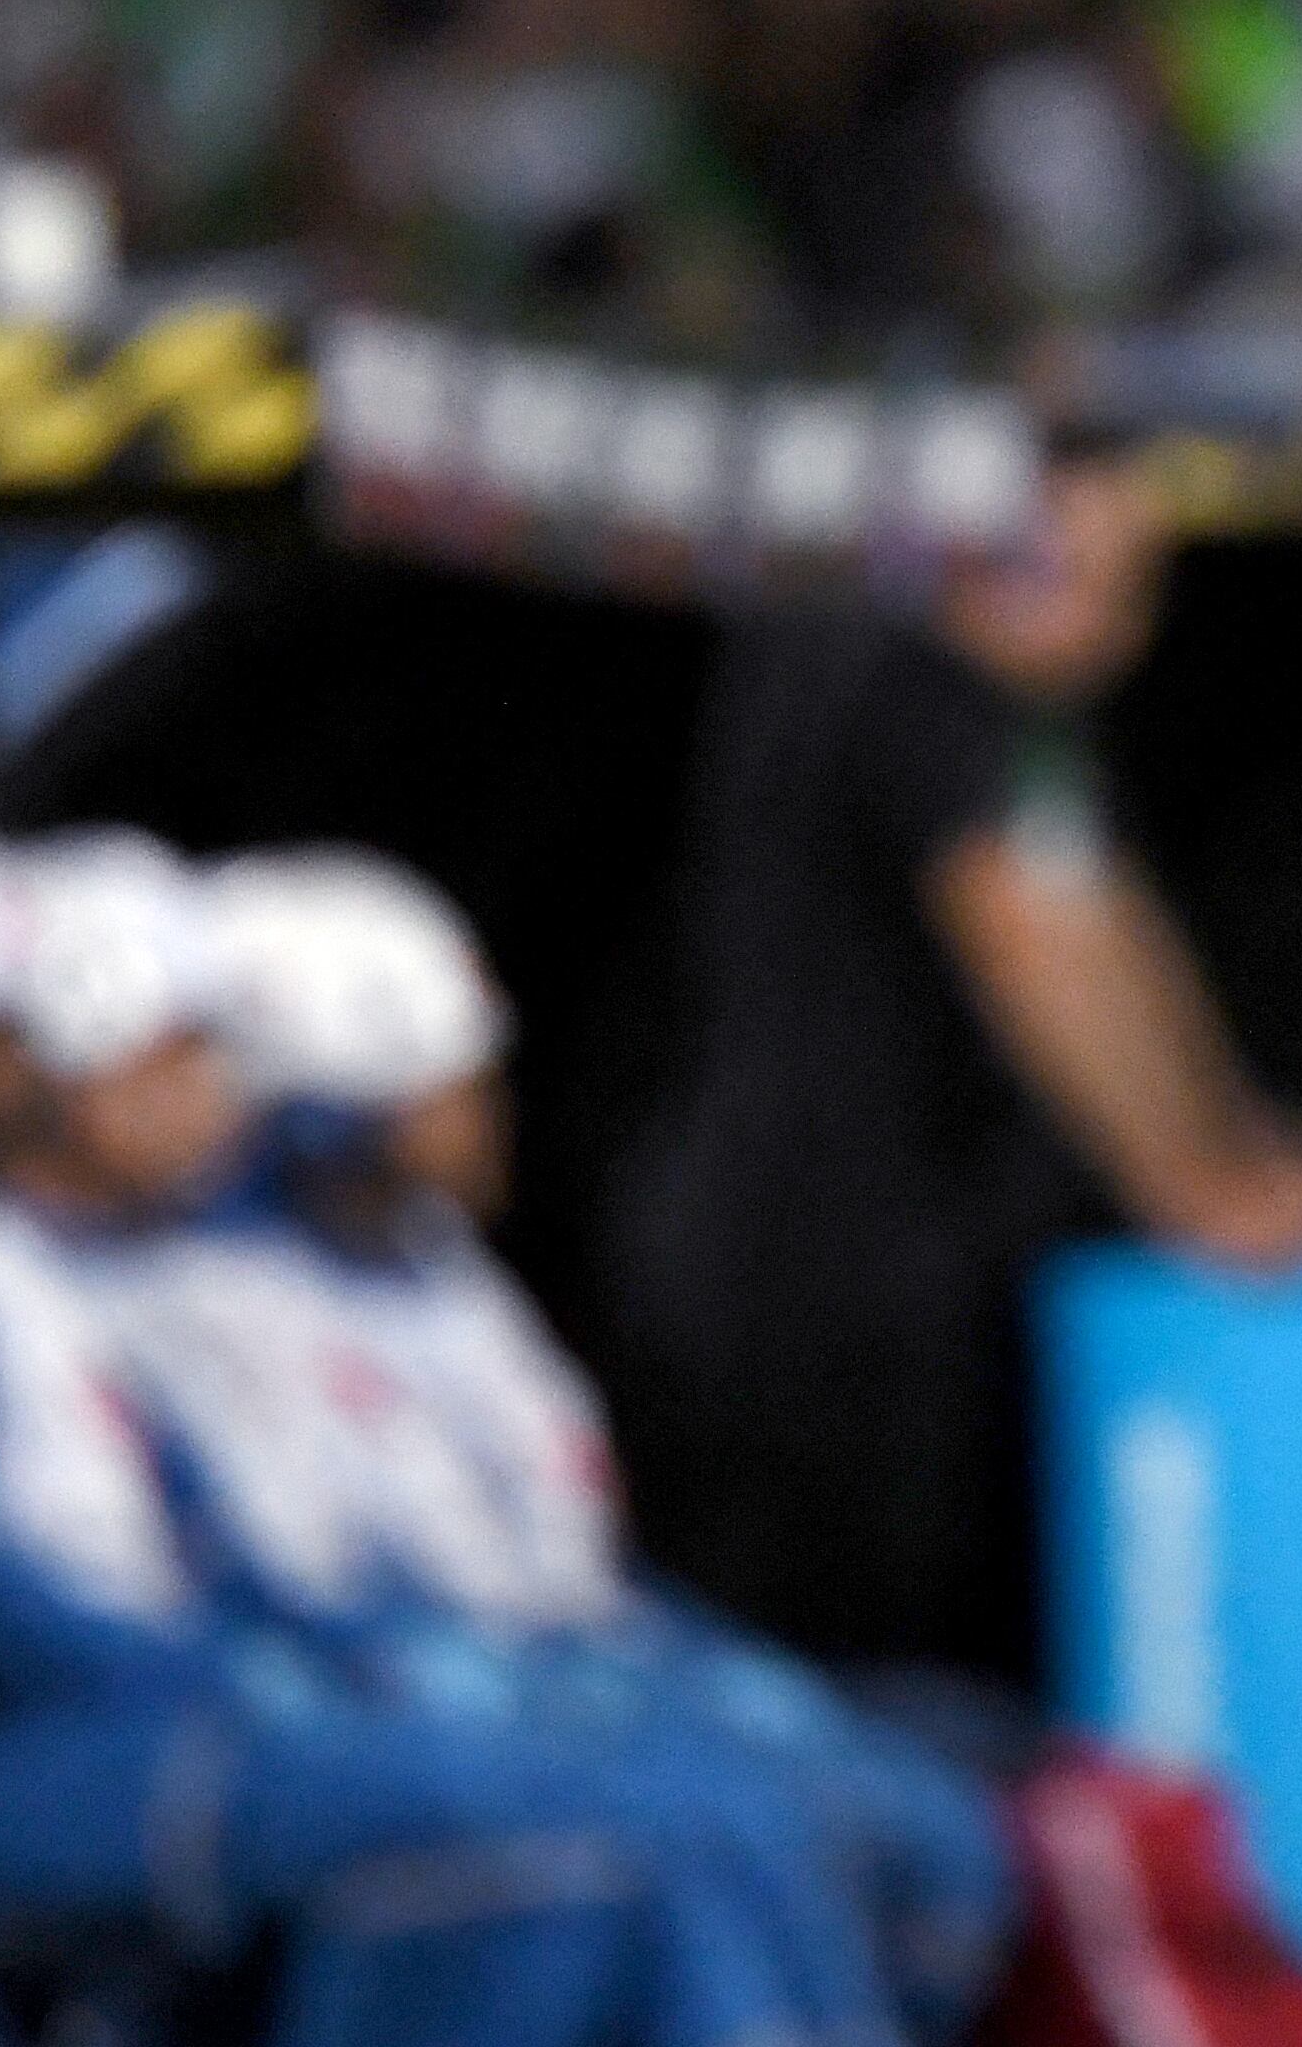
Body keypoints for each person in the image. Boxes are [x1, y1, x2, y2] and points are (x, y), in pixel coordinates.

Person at [0, 816, 841, 2047]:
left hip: (136, 1711)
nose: (5, 1068)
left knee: (618, 1809)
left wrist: (321, 1656)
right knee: (491, 1804)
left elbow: (192, 1527)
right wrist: (229, 1680)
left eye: (5, 1032)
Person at [148, 843, 1021, 2039]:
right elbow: (312, 1596)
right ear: (339, 1104)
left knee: (937, 1798)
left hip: (566, 1660)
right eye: (446, 1082)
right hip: (386, 1696)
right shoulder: (204, 1302)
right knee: (716, 1829)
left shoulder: (443, 1283)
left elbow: (567, 1563)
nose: (484, 1114)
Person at [607, 452, 1302, 1678]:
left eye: (1138, 595)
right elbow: (1041, 945)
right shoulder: (908, 675)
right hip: (812, 1275)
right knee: (844, 1675)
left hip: (858, 1266)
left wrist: (1237, 1148)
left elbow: (1111, 933)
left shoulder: (1007, 725)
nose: (1111, 631)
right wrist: (1204, 1194)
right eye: (1084, 579)